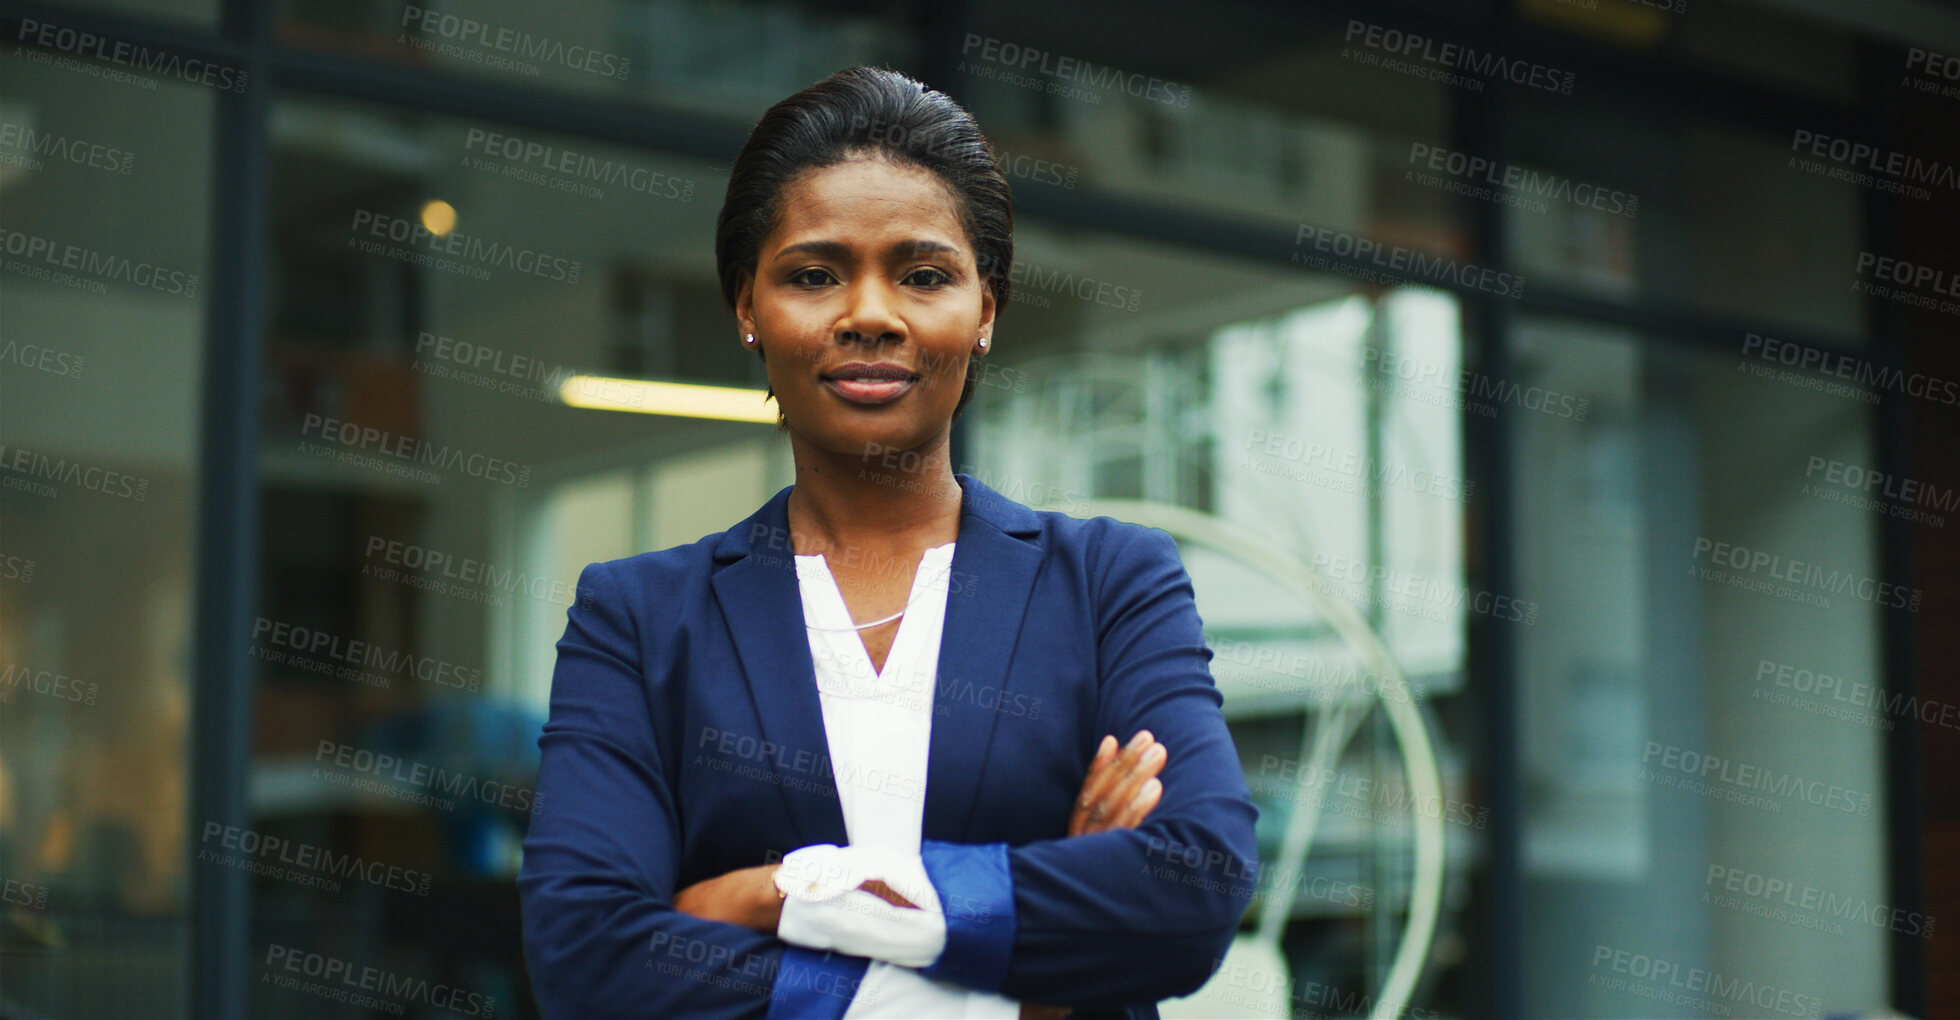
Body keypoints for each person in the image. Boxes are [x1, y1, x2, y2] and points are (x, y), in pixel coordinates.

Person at [517, 65, 1259, 1020]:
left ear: (984, 310)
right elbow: (587, 957)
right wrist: (1023, 958)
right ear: (748, 308)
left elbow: (1191, 888)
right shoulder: (642, 617)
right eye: (815, 274)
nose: (870, 313)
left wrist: (772, 896)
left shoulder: (1110, 583)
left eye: (922, 274)